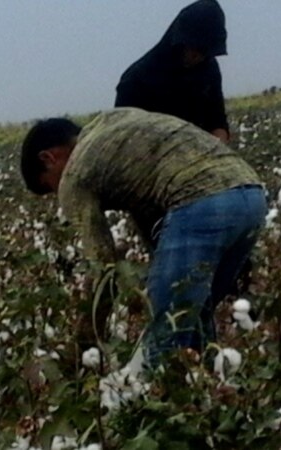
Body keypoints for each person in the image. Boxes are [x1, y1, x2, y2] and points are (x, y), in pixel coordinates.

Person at [20, 108, 266, 366]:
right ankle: (207, 391)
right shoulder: (114, 125)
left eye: (50, 186)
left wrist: (86, 340)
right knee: (195, 317)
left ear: (49, 158)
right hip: (252, 196)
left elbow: (103, 268)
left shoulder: (75, 173)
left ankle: (156, 397)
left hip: (201, 202)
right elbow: (147, 207)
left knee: (167, 329)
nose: (58, 194)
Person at [115, 0, 230, 143]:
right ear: (178, 40)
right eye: (193, 47)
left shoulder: (209, 69)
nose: (198, 56)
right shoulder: (135, 81)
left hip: (201, 155)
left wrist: (218, 145)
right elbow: (124, 141)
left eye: (205, 51)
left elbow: (217, 120)